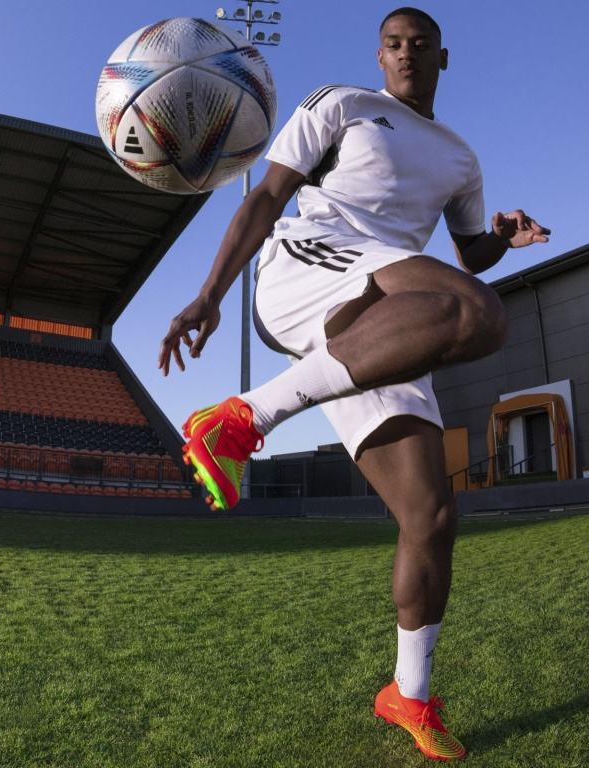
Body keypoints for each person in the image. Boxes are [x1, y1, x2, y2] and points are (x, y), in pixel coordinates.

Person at [158, 7, 550, 762]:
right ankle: (244, 418)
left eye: (420, 45)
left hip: (382, 323)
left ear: (442, 57)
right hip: (313, 261)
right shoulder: (341, 103)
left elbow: (470, 253)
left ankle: (408, 694)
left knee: (429, 515)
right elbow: (267, 196)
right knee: (479, 314)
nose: (406, 55)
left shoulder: (461, 158)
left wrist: (502, 237)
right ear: (379, 56)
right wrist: (209, 295)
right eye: (393, 45)